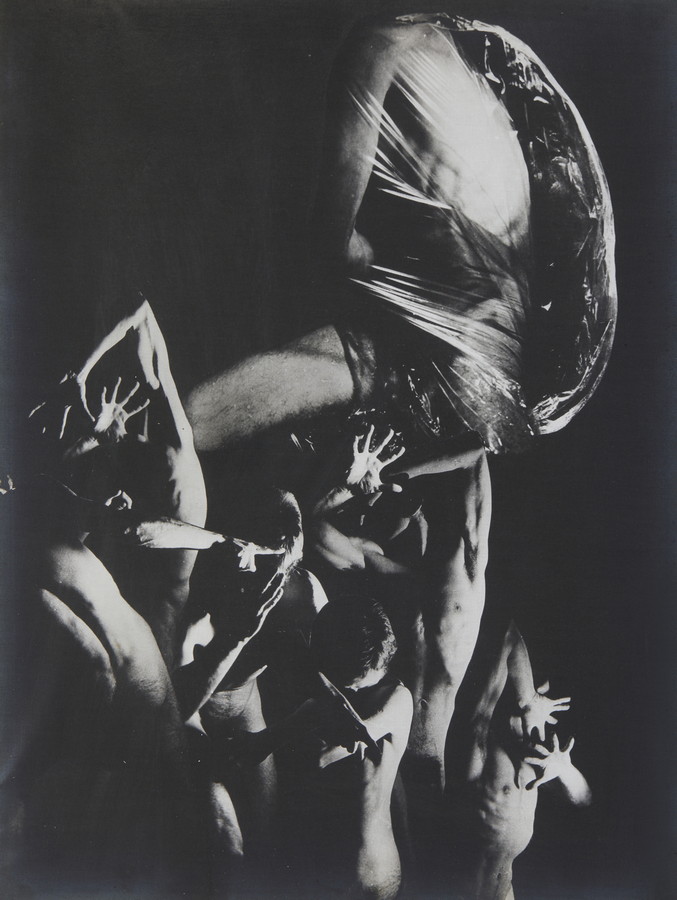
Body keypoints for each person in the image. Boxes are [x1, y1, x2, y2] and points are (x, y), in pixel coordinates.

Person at [184, 13, 615, 456]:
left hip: (459, 346)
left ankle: (177, 431)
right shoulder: (456, 57)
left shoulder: (380, 43)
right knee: (436, 451)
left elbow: (333, 240)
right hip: (501, 348)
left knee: (214, 414)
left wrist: (359, 254)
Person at [307, 425, 491, 799]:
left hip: (422, 759)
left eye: (417, 513)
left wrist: (392, 473)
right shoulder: (385, 572)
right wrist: (357, 485)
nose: (416, 522)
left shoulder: (464, 568)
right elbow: (315, 531)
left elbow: (477, 452)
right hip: (378, 751)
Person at [219, 597, 413, 900]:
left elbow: (330, 751)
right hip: (322, 872)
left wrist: (278, 732)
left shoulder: (397, 699)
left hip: (371, 874)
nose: (352, 689)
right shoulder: (317, 699)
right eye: (345, 681)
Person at [445, 621, 589, 900]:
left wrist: (565, 769)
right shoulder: (483, 743)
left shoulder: (538, 757)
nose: (545, 707)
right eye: (541, 696)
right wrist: (528, 697)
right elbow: (507, 632)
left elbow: (583, 799)